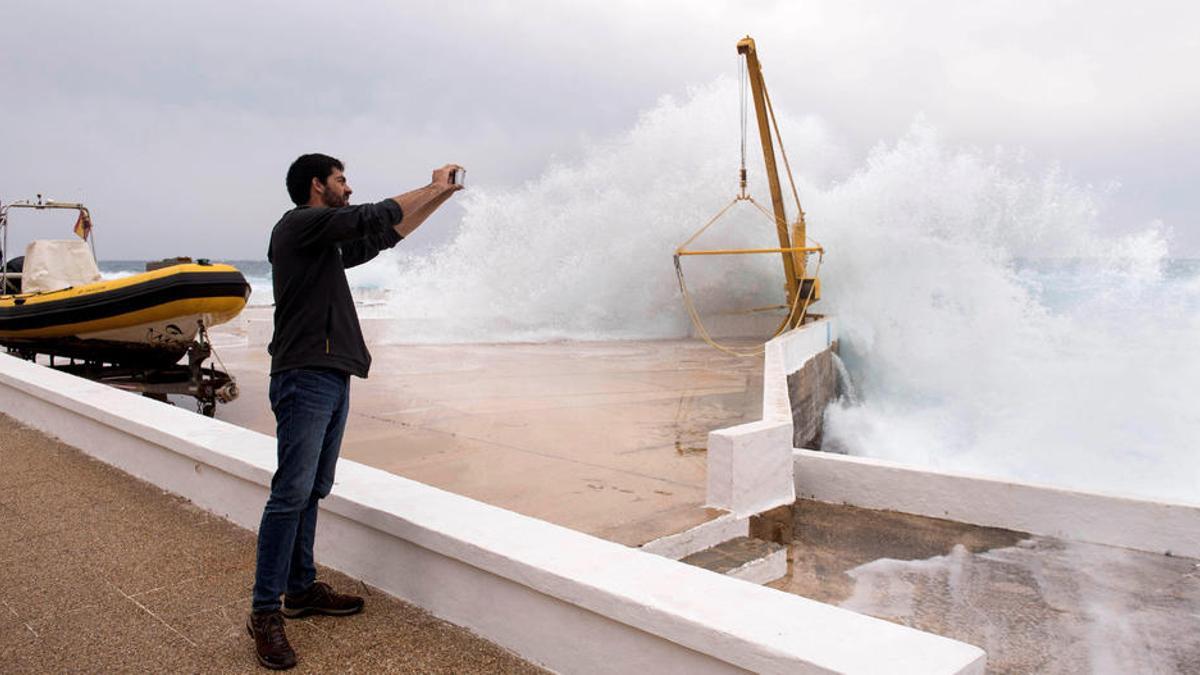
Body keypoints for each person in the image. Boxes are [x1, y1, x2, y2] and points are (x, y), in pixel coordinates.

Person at [247, 153, 462, 670]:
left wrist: (440, 196)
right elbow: (372, 216)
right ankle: (263, 612)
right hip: (304, 375)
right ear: (317, 185)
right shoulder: (299, 225)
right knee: (290, 493)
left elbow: (383, 236)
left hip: (330, 374)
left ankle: (300, 591)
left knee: (312, 490)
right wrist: (426, 184)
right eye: (341, 179)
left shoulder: (320, 248)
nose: (348, 186)